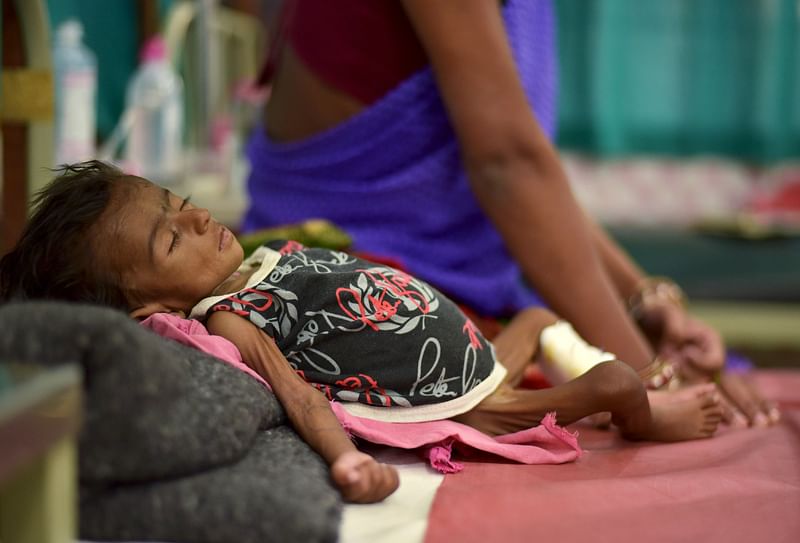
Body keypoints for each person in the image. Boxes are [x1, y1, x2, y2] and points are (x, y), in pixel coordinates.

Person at [0, 162, 726, 502]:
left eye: (179, 202)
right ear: (142, 312)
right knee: (615, 381)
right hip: (455, 397)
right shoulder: (229, 318)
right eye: (169, 240)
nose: (195, 218)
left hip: (466, 348)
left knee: (536, 316)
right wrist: (346, 461)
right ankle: (643, 412)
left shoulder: (256, 260)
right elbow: (301, 396)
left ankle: (596, 374)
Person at [243, 0, 778, 426]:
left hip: (445, 279)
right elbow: (508, 171)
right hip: (351, 283)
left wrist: (645, 302)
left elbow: (525, 174)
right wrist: (650, 378)